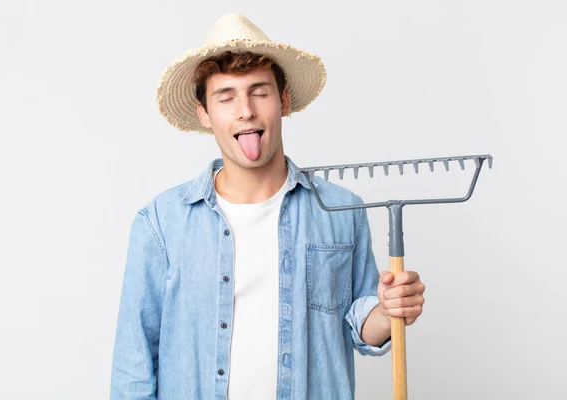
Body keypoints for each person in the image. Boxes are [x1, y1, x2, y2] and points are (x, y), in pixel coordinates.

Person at [110, 13, 426, 400]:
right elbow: (133, 368)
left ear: (284, 101)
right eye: (226, 97)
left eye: (259, 92)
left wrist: (390, 310)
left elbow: (361, 326)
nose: (245, 110)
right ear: (205, 114)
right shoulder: (161, 223)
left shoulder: (342, 211)